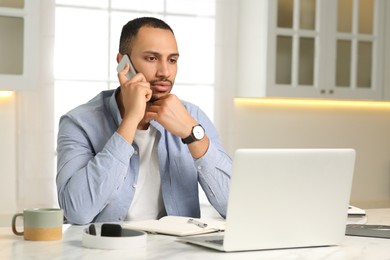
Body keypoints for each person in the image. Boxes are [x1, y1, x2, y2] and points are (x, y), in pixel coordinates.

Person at [56, 17, 232, 225]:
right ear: (123, 63)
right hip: (105, 251)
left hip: (176, 252)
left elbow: (236, 207)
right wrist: (130, 120)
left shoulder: (192, 117)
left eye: (172, 60)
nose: (165, 72)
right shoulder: (78, 123)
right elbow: (77, 211)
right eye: (151, 58)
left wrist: (192, 134)